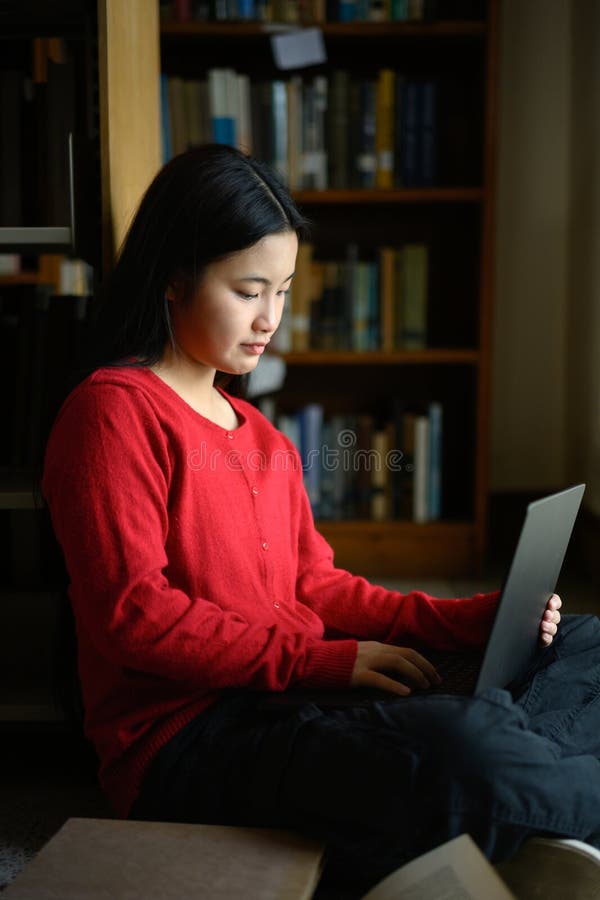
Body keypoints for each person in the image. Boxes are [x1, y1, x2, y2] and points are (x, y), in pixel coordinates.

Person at [42, 144, 600, 897]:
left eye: (284, 290)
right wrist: (322, 663)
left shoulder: (262, 435)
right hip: (196, 737)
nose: (272, 317)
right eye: (248, 291)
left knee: (583, 641)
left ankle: (523, 793)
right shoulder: (112, 412)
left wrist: (469, 619)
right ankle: (525, 789)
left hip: (298, 699)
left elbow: (318, 587)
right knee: (465, 745)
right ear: (175, 275)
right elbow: (134, 617)